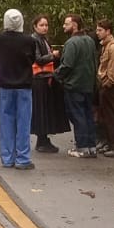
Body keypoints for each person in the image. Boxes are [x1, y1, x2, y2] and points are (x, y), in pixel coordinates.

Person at [0, 9, 37, 169]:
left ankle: (7, 157)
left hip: (5, 85)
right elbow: (32, 59)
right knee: (23, 122)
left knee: (6, 122)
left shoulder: (0, 39)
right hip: (24, 85)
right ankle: (23, 158)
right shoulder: (29, 40)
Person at [55, 14, 99, 158]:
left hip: (74, 85)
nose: (64, 26)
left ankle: (82, 146)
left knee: (77, 115)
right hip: (88, 84)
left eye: (66, 24)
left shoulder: (71, 43)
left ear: (74, 25)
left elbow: (67, 65)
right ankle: (92, 146)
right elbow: (94, 62)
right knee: (88, 115)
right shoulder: (90, 41)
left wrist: (56, 75)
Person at [29, 14, 69, 155]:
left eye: (46, 25)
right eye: (42, 25)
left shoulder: (43, 39)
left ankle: (44, 139)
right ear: (35, 26)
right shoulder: (34, 40)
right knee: (41, 110)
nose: (45, 27)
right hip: (39, 79)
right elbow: (38, 59)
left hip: (46, 78)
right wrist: (53, 55)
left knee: (45, 110)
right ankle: (42, 140)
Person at [94, 18, 114, 158]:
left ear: (108, 31)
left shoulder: (113, 48)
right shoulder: (105, 46)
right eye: (97, 30)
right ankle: (110, 143)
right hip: (104, 86)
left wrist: (107, 84)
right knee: (104, 118)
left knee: (113, 118)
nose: (97, 33)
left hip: (110, 88)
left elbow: (113, 71)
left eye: (100, 30)